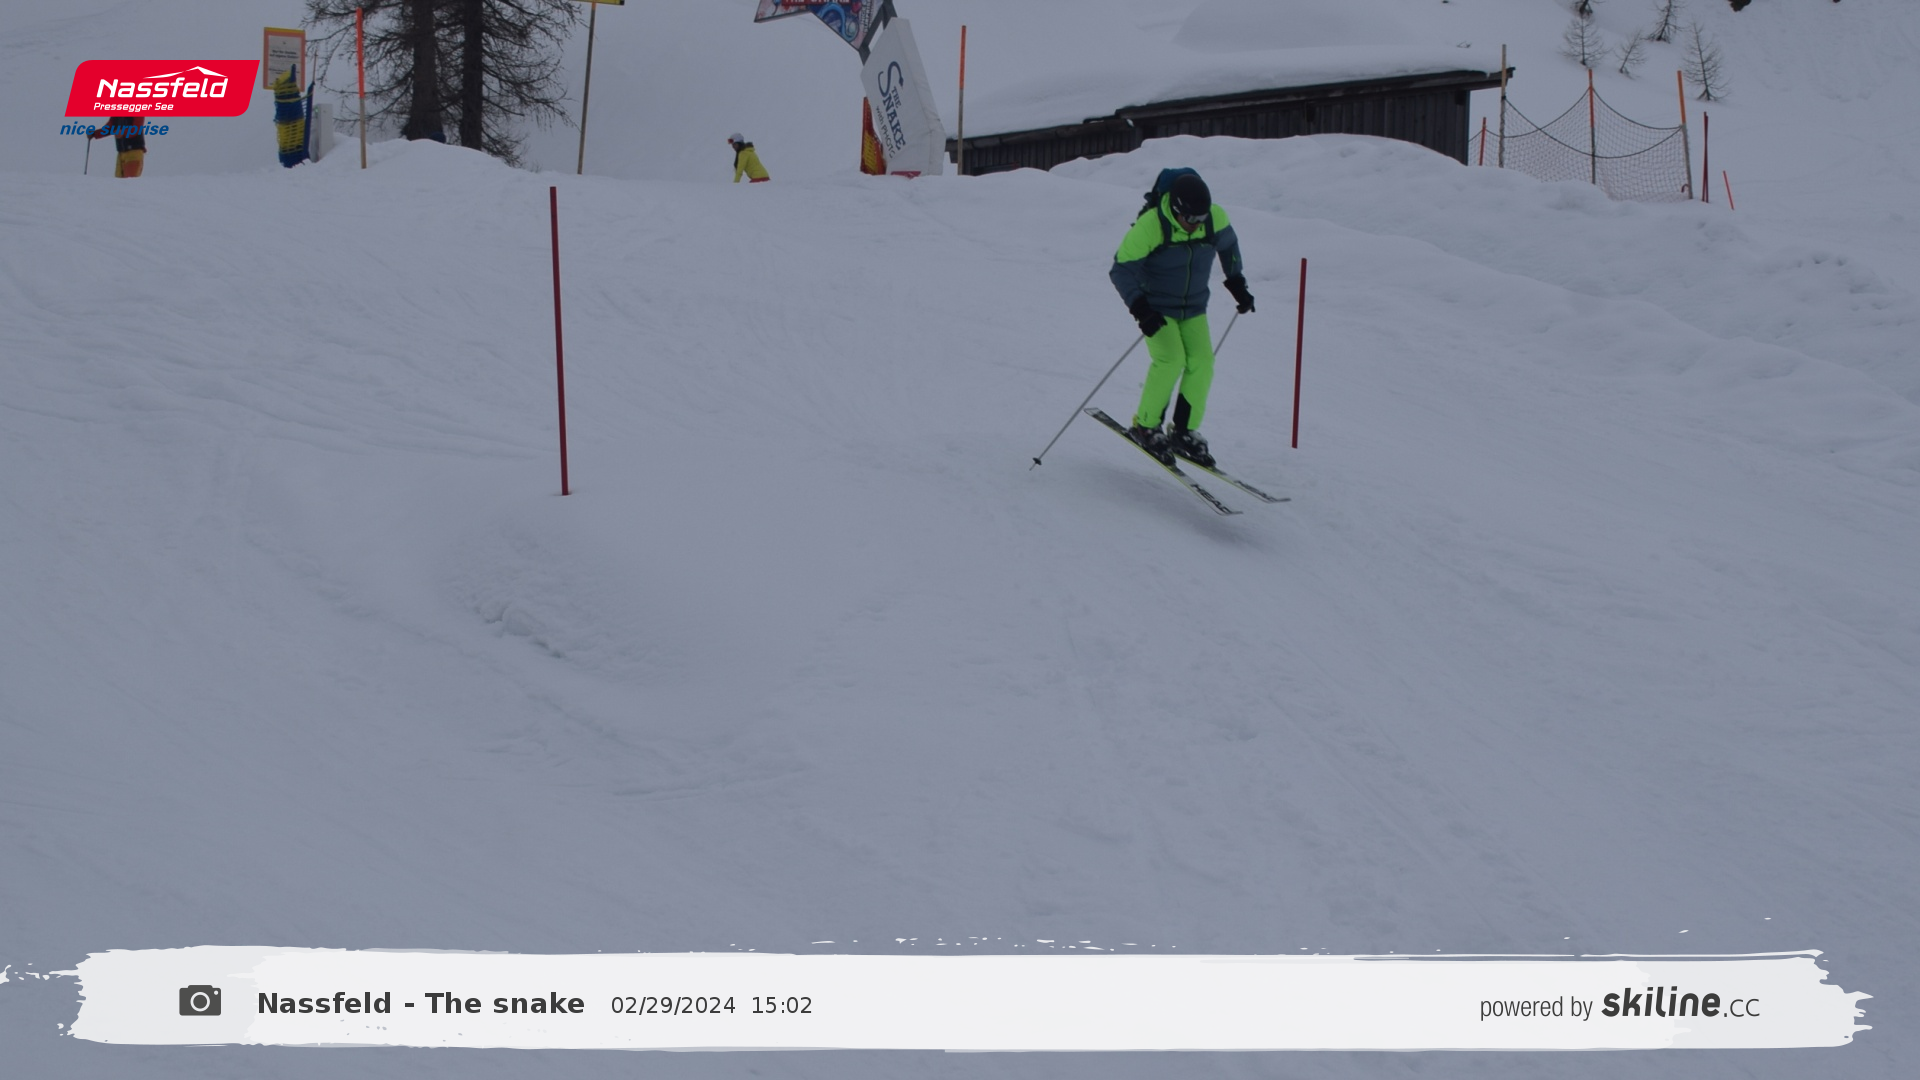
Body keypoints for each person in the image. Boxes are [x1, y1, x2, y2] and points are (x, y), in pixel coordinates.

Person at [1108, 169, 1255, 468]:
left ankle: (1183, 432)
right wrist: (1140, 309)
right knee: (1171, 359)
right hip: (1156, 307)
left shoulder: (1214, 218)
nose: (1196, 224)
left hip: (1194, 307)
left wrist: (1237, 282)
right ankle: (1146, 425)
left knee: (1202, 362)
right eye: (1190, 219)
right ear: (1176, 210)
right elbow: (1121, 269)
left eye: (1201, 218)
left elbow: (1228, 246)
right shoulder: (1152, 225)